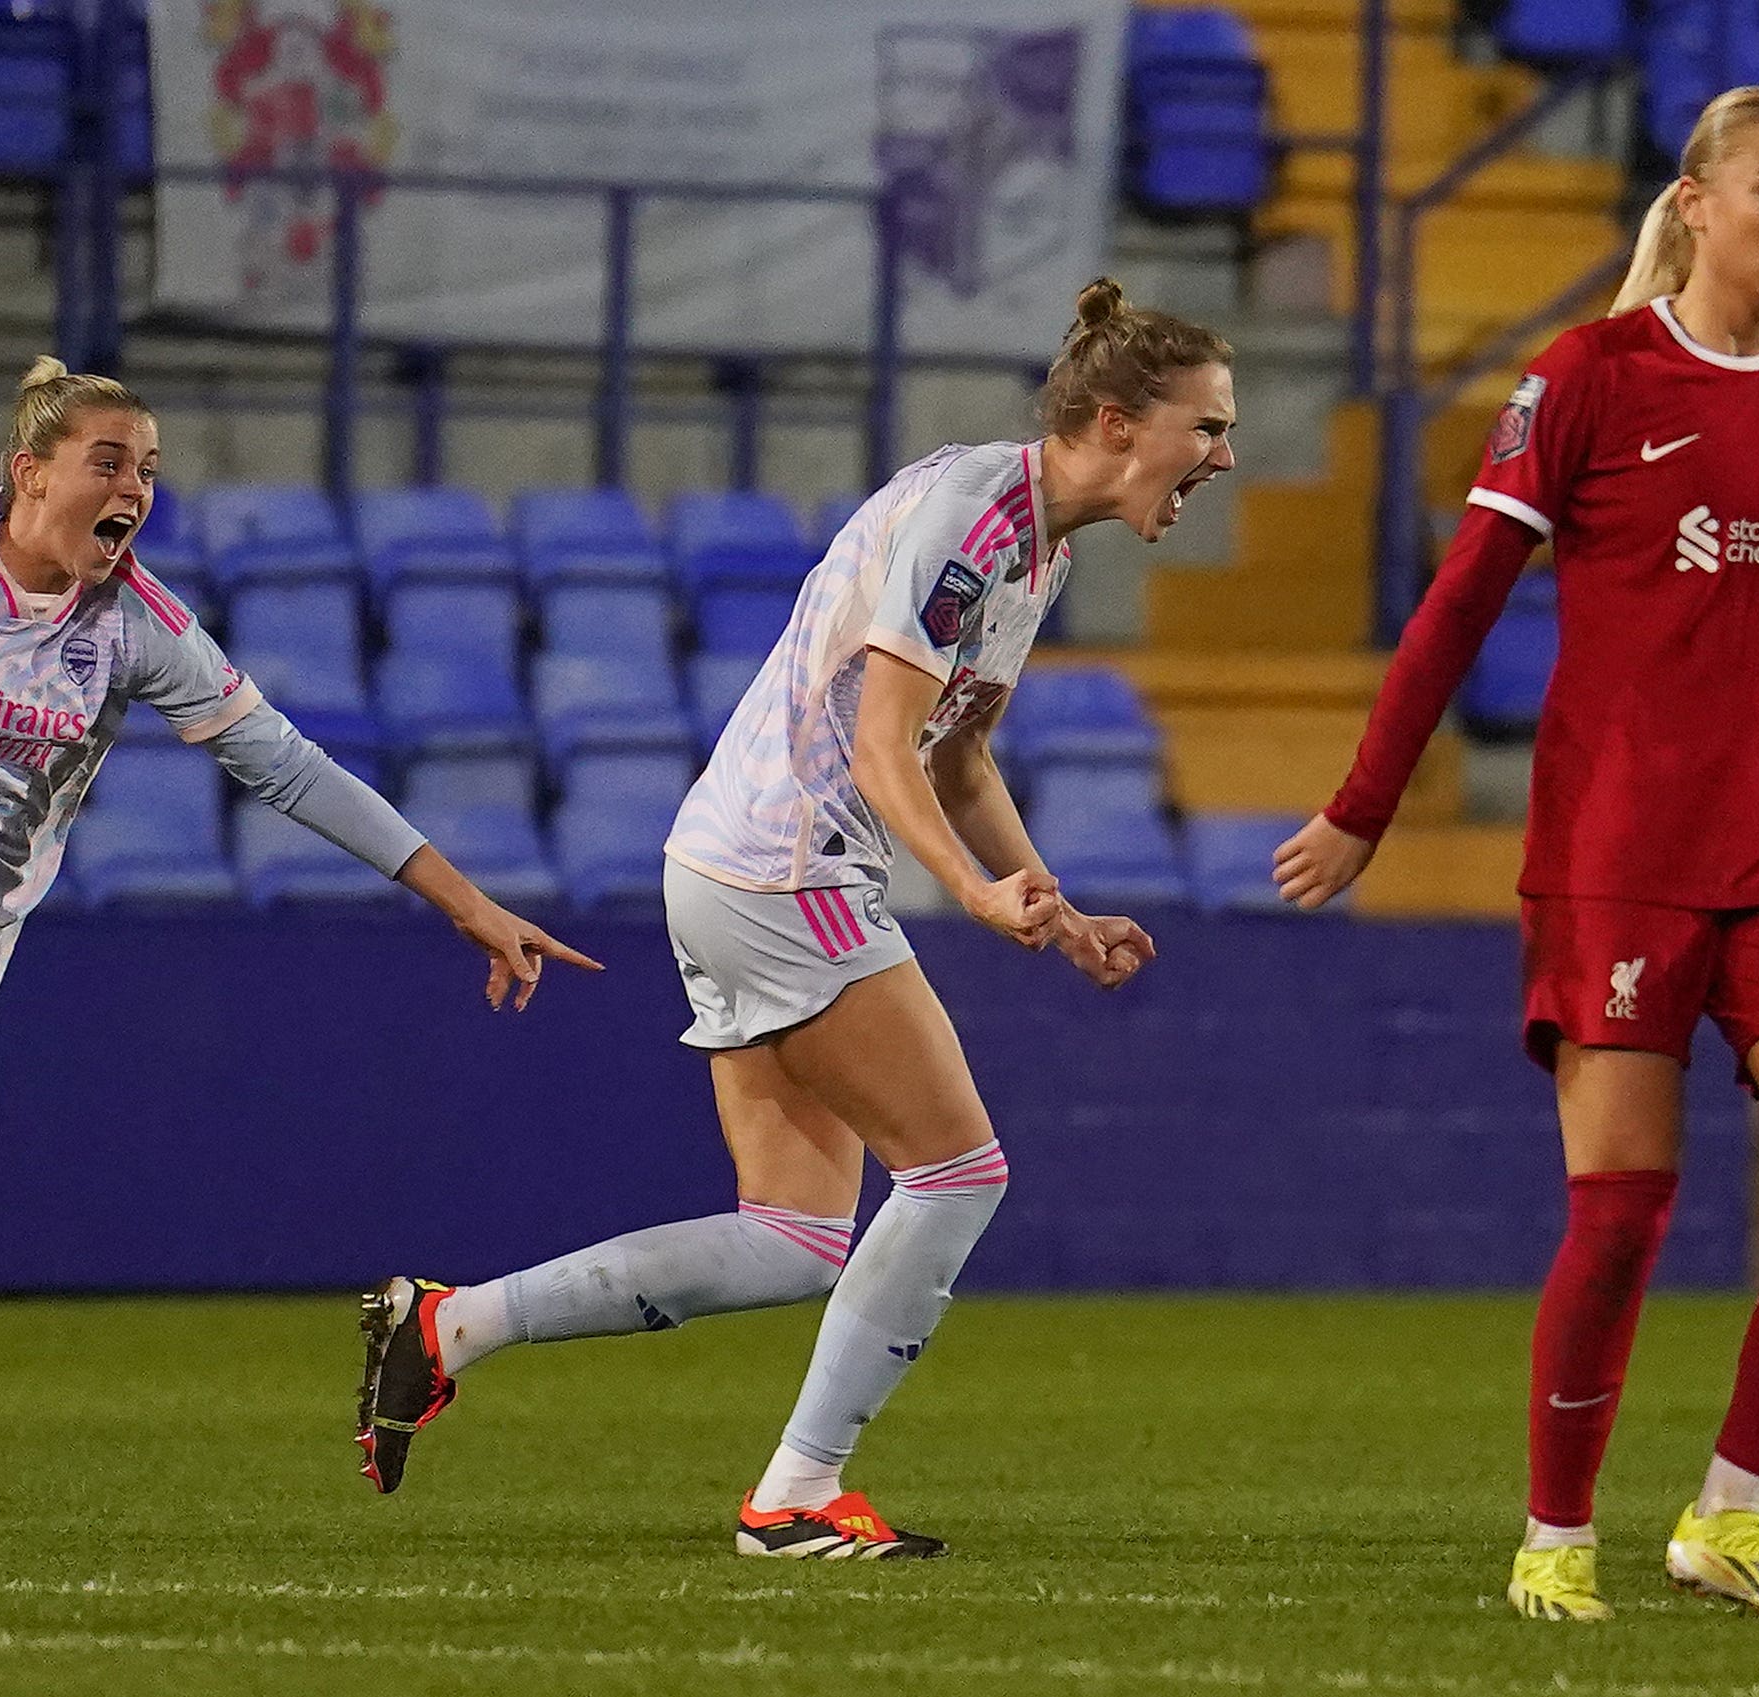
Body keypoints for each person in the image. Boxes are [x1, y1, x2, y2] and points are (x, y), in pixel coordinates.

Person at [356, 277, 1232, 1558]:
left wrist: (1051, 904)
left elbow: (957, 752)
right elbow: (884, 749)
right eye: (1203, 429)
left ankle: (449, 1324)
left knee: (796, 1232)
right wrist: (973, 893)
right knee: (956, 1171)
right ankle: (796, 1494)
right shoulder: (969, 521)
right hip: (787, 866)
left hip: (743, 861)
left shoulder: (1030, 539)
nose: (1219, 457)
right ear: (1112, 421)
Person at [1274, 87, 1759, 1620]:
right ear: (1694, 199)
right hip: (1618, 855)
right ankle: (1555, 1533)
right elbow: (1455, 604)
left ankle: (1730, 1514)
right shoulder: (1584, 377)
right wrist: (1364, 806)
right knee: (1624, 1204)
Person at [0, 358, 596, 1546]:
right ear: (28, 470)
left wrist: (460, 896)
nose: (134, 487)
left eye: (147, 469)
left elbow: (284, 762)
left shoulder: (133, 619)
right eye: (108, 461)